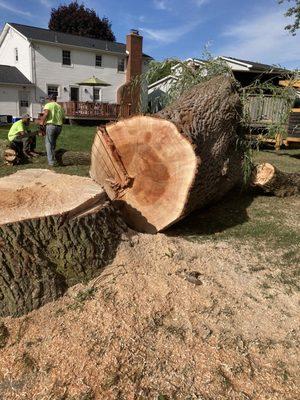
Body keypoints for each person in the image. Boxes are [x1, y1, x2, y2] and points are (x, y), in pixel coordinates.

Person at [40, 94, 65, 166]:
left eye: (48, 99)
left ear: (50, 99)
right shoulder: (60, 106)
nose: (48, 100)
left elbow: (46, 113)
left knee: (48, 143)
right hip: (59, 127)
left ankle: (51, 162)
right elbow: (63, 118)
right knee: (53, 143)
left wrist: (41, 123)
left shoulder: (48, 105)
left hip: (51, 125)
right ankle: (54, 158)